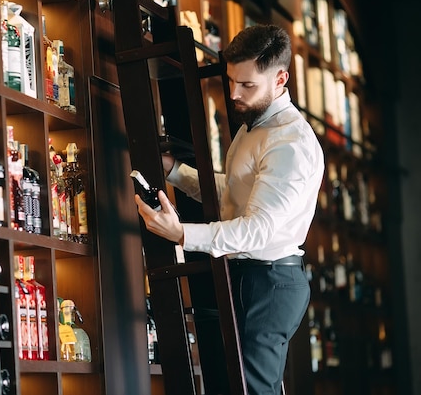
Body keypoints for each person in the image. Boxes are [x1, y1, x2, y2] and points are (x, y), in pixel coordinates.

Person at [134, 24, 325, 395]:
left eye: (247, 85)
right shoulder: (254, 123)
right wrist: (176, 171)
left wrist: (182, 234)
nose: (234, 94)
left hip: (267, 283)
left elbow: (256, 228)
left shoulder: (289, 143)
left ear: (280, 78)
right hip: (251, 277)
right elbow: (238, 193)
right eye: (231, 81)